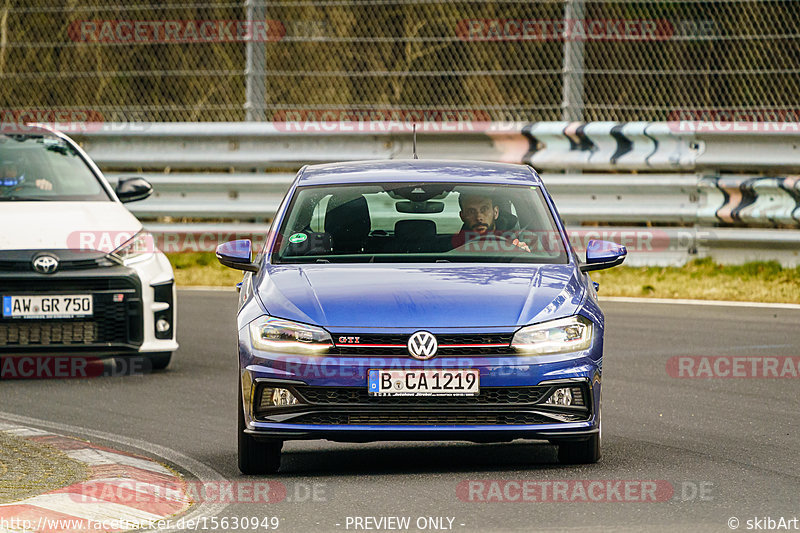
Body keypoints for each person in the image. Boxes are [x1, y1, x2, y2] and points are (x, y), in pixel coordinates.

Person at [456, 192, 531, 252]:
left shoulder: (524, 239)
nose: (479, 218)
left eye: (484, 209)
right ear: (462, 216)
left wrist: (524, 254)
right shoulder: (452, 248)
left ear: (495, 212)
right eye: (471, 211)